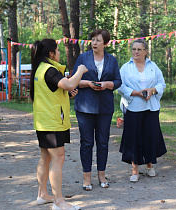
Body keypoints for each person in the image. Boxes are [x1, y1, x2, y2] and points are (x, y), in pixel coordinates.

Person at [30, 38, 88, 209]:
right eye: (58, 50)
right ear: (50, 53)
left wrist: (67, 94)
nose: (60, 53)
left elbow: (53, 91)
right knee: (58, 158)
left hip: (44, 121)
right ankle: (59, 201)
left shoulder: (41, 68)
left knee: (46, 157)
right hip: (52, 122)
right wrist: (80, 71)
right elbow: (69, 84)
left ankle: (42, 195)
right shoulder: (49, 70)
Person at [71, 29, 121, 191]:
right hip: (85, 107)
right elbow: (73, 81)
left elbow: (118, 81)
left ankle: (101, 175)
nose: (94, 43)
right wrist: (88, 84)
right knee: (86, 143)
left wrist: (107, 85)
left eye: (98, 40)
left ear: (105, 43)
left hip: (105, 108)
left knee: (103, 142)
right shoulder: (83, 58)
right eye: (93, 40)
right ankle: (87, 177)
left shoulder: (112, 60)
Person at [118, 39, 167, 182]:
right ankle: (135, 169)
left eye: (139, 49)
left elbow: (161, 84)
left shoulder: (153, 66)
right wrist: (136, 93)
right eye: (134, 49)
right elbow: (120, 86)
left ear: (146, 51)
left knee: (150, 136)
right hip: (133, 107)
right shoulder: (126, 67)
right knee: (134, 137)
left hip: (151, 107)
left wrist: (153, 90)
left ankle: (149, 164)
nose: (136, 52)